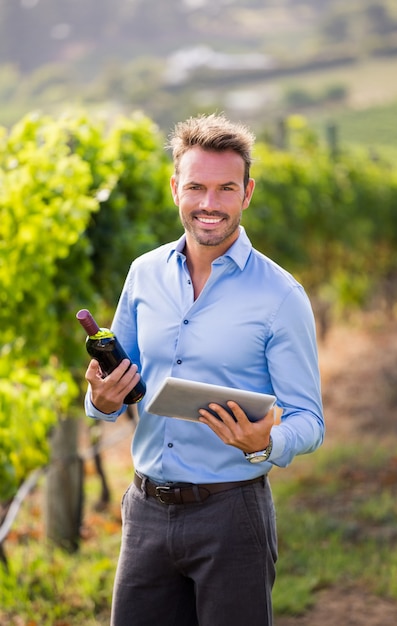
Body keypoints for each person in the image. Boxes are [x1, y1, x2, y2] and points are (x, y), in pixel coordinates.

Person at [84, 113, 325, 626]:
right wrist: (101, 401)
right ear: (176, 188)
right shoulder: (143, 274)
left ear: (247, 193)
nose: (209, 204)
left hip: (232, 515)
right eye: (196, 186)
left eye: (225, 188)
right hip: (145, 510)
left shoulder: (281, 296)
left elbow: (309, 419)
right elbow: (120, 381)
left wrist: (265, 441)